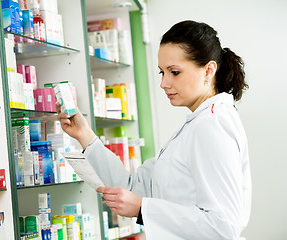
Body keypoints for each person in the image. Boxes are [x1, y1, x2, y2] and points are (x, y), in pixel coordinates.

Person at [57, 20, 251, 240]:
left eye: (174, 72)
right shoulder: (194, 125)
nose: (164, 83)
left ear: (208, 70)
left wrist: (143, 208)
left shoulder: (213, 124)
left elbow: (223, 226)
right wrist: (85, 135)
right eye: (162, 73)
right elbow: (132, 187)